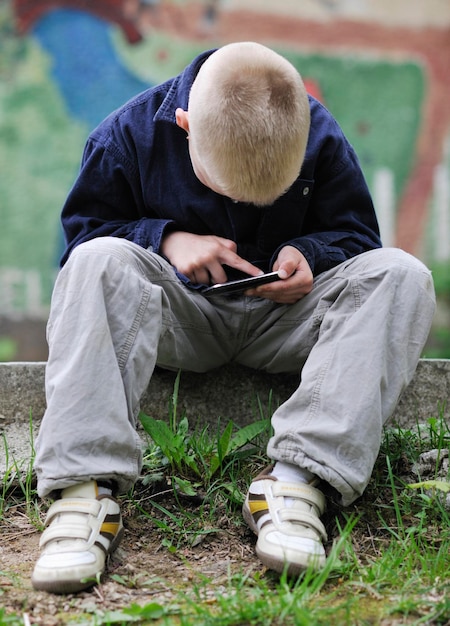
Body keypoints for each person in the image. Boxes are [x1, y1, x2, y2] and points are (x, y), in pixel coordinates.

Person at [31, 41, 435, 594]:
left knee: (401, 275)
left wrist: (312, 256)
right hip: (178, 318)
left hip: (283, 322)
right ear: (184, 125)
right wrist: (166, 239)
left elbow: (359, 240)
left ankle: (297, 485)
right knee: (96, 261)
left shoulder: (319, 130)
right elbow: (83, 242)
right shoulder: (124, 135)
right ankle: (82, 494)